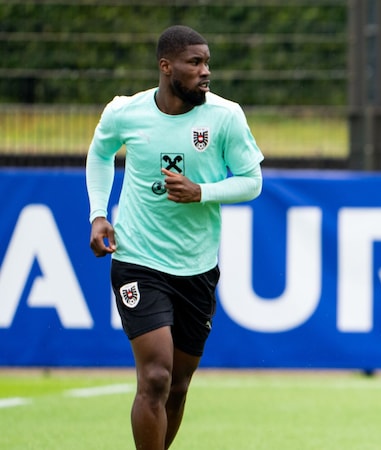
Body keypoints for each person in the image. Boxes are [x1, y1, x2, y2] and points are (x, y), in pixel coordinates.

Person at [86, 25, 264, 449]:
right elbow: (100, 152)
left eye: (207, 63)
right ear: (167, 67)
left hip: (196, 266)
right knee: (156, 375)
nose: (206, 72)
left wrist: (203, 192)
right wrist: (97, 214)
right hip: (138, 259)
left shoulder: (225, 116)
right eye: (195, 63)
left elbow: (252, 181)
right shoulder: (125, 112)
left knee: (179, 385)